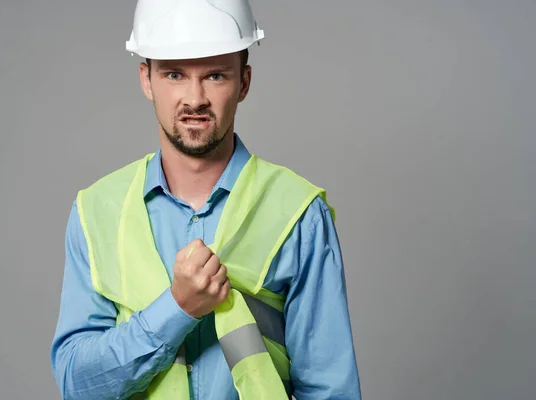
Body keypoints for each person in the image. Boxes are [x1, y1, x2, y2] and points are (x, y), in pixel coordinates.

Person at [50, 0, 362, 399]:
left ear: (243, 82)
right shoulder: (96, 213)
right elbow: (78, 385)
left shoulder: (298, 214)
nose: (194, 99)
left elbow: (329, 390)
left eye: (215, 75)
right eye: (175, 74)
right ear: (147, 79)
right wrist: (176, 309)